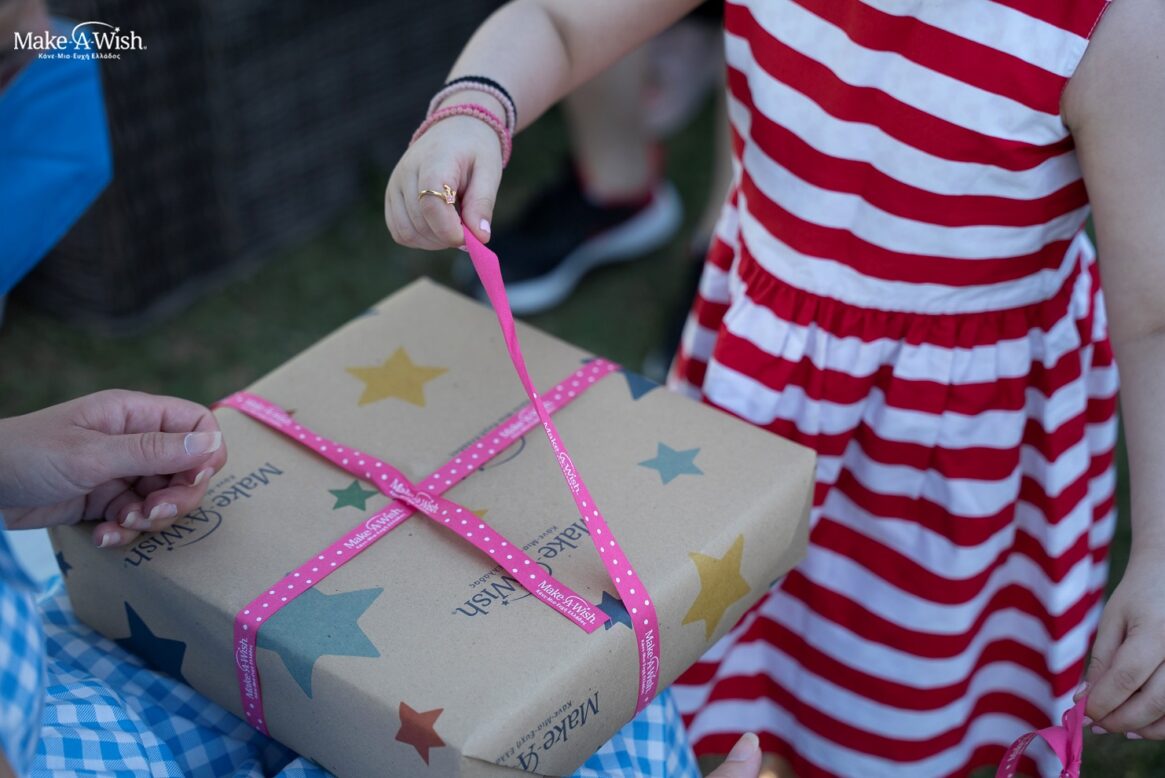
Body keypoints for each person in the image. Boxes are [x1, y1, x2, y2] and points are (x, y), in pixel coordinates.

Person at [385, 0, 1165, 775]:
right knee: (724, 628)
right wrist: (475, 110)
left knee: (896, 701)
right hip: (755, 379)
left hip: (950, 453)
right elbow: (559, 21)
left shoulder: (1116, 25)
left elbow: (1154, 319)